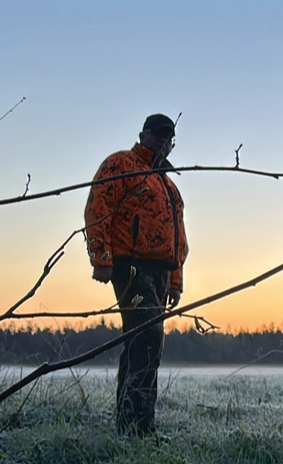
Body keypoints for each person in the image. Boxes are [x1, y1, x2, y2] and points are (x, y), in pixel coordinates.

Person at [84, 113, 188, 437]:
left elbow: (178, 239)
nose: (162, 142)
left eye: (168, 138)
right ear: (143, 134)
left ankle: (131, 426)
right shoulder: (120, 165)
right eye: (157, 135)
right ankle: (139, 430)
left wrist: (175, 280)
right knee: (148, 336)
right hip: (131, 265)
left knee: (142, 343)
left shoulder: (170, 187)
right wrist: (101, 257)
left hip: (160, 270)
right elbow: (97, 208)